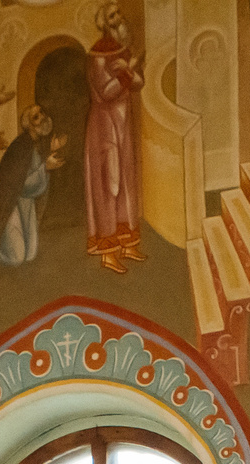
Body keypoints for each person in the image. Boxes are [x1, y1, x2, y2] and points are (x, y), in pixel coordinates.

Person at [84, 4, 145, 268]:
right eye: (113, 17)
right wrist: (124, 71)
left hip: (122, 126)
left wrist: (129, 69)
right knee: (109, 185)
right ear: (105, 24)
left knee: (126, 185)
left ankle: (127, 245)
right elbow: (106, 91)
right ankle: (109, 252)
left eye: (119, 14)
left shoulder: (123, 51)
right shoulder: (99, 54)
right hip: (104, 128)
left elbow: (139, 83)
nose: (119, 19)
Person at [0, 106, 62, 268]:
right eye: (36, 117)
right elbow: (22, 185)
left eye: (41, 113)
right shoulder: (21, 146)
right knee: (16, 257)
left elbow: (33, 179)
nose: (42, 117)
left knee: (30, 254)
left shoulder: (35, 144)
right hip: (10, 205)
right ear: (29, 125)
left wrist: (49, 157)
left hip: (25, 204)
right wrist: (45, 168)